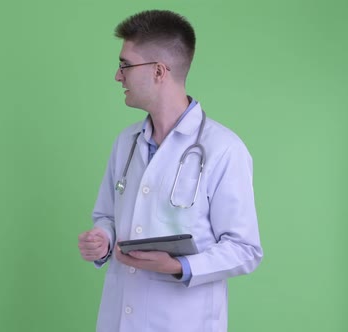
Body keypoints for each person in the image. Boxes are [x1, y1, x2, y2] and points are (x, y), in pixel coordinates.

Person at [77, 9, 263, 332]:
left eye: (125, 65)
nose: (118, 76)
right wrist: (103, 239)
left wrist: (180, 266)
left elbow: (245, 249)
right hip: (119, 319)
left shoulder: (223, 149)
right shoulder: (127, 143)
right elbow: (107, 216)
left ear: (159, 71)